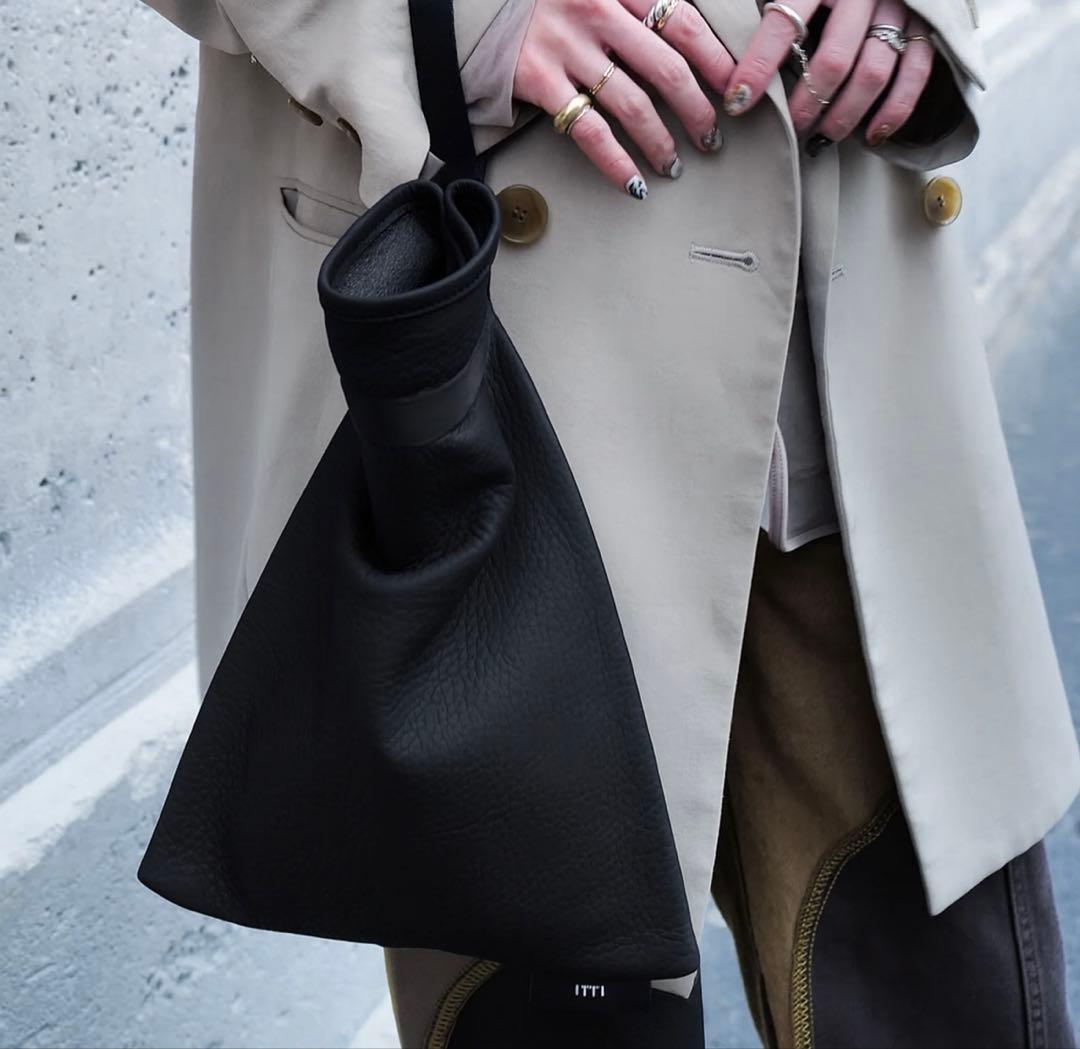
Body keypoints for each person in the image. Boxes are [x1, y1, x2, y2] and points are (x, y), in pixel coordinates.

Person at [142, 0, 1080, 1045]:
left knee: (945, 994)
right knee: (551, 1010)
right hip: (518, 347)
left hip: (838, 319)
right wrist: (455, 21)